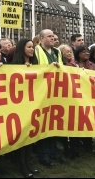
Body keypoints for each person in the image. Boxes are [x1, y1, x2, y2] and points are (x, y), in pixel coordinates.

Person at [33, 29, 63, 168]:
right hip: (41, 93)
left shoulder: (57, 52)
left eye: (53, 36)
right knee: (42, 123)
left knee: (53, 122)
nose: (53, 38)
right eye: (49, 36)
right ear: (41, 38)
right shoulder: (36, 51)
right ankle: (43, 154)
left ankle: (54, 151)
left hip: (55, 92)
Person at [11, 38, 39, 178]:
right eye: (29, 47)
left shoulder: (36, 65)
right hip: (19, 105)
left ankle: (28, 163)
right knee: (22, 137)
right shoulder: (14, 65)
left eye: (33, 47)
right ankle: (22, 165)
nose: (32, 49)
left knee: (30, 136)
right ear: (22, 48)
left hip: (32, 104)